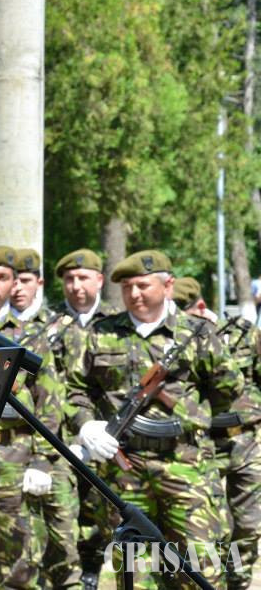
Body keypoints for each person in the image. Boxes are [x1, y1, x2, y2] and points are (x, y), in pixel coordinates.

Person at [66, 250, 239, 588]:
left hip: (186, 466)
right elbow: (75, 390)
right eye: (127, 287)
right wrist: (86, 425)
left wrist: (189, 416)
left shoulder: (197, 332)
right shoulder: (102, 333)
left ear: (168, 286)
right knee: (135, 574)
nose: (134, 294)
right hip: (125, 469)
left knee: (200, 569)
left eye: (143, 285)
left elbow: (228, 389)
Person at [0, 246, 65, 588]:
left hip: (14, 456)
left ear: (12, 283)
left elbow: (49, 401)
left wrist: (42, 460)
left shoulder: (31, 335)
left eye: (2, 277)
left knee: (19, 557)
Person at [174, 276, 261, 590]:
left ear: (200, 307)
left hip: (246, 441)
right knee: (213, 526)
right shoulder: (173, 343)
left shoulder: (242, 334)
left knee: (248, 524)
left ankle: (238, 581)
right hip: (201, 444)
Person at [50, 247, 117, 588]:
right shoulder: (50, 324)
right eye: (69, 279)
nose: (76, 286)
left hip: (106, 432)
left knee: (101, 507)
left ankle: (91, 568)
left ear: (99, 280)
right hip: (60, 432)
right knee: (64, 507)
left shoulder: (116, 321)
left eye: (83, 278)